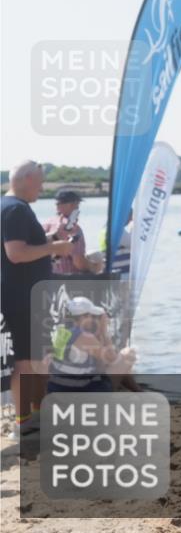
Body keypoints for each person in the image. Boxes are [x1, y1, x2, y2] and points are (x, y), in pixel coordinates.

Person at [2, 161, 73, 439]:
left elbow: (21, 245)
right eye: (41, 182)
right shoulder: (16, 209)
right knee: (25, 360)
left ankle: (34, 416)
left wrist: (50, 239)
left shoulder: (9, 206)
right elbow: (16, 253)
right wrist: (54, 247)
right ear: (28, 178)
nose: (43, 188)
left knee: (34, 358)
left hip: (20, 294)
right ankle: (22, 423)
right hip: (21, 296)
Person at [47, 296, 135, 393]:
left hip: (57, 389)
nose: (93, 320)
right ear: (84, 317)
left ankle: (137, 390)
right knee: (129, 353)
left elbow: (99, 366)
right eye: (92, 316)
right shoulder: (84, 337)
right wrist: (104, 331)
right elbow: (112, 359)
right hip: (77, 392)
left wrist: (98, 335)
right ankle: (135, 391)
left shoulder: (62, 332)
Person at [42, 189, 100, 275]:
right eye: (77, 206)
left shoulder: (47, 224)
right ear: (72, 205)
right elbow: (79, 262)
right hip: (69, 280)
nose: (78, 210)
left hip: (49, 277)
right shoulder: (73, 228)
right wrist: (95, 267)